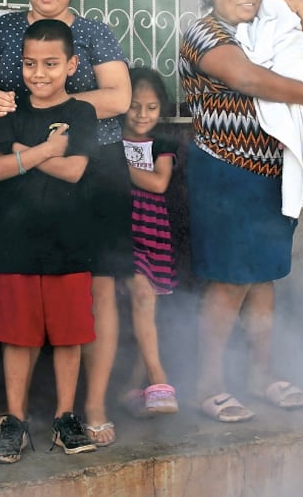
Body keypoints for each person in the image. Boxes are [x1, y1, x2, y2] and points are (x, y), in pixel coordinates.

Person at [0, 0, 131, 447]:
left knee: (94, 290)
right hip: (21, 176)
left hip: (90, 169)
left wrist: (48, 110)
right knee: (18, 296)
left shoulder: (92, 32)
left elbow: (120, 97)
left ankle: (89, 407)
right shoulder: (2, 30)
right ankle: (16, 415)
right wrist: (11, 109)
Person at [178, 0, 303, 422]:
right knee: (229, 280)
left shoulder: (267, 28)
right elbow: (246, 78)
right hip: (225, 171)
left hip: (273, 173)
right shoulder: (201, 31)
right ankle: (208, 384)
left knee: (264, 277)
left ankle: (262, 375)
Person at [0, 19, 100, 463]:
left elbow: (75, 171)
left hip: (70, 242)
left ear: (71, 65)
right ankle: (15, 422)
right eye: (30, 64)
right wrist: (48, 150)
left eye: (51, 64)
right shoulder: (10, 111)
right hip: (15, 241)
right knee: (18, 337)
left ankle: (64, 417)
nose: (39, 73)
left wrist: (22, 155)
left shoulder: (83, 113)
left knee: (69, 336)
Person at [116, 67, 181, 419]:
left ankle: (133, 388)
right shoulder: (107, 140)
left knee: (146, 309)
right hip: (120, 235)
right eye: (135, 106)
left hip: (152, 232)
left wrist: (118, 166)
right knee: (141, 298)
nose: (142, 115)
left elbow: (158, 184)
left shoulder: (164, 144)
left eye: (152, 108)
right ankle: (159, 381)